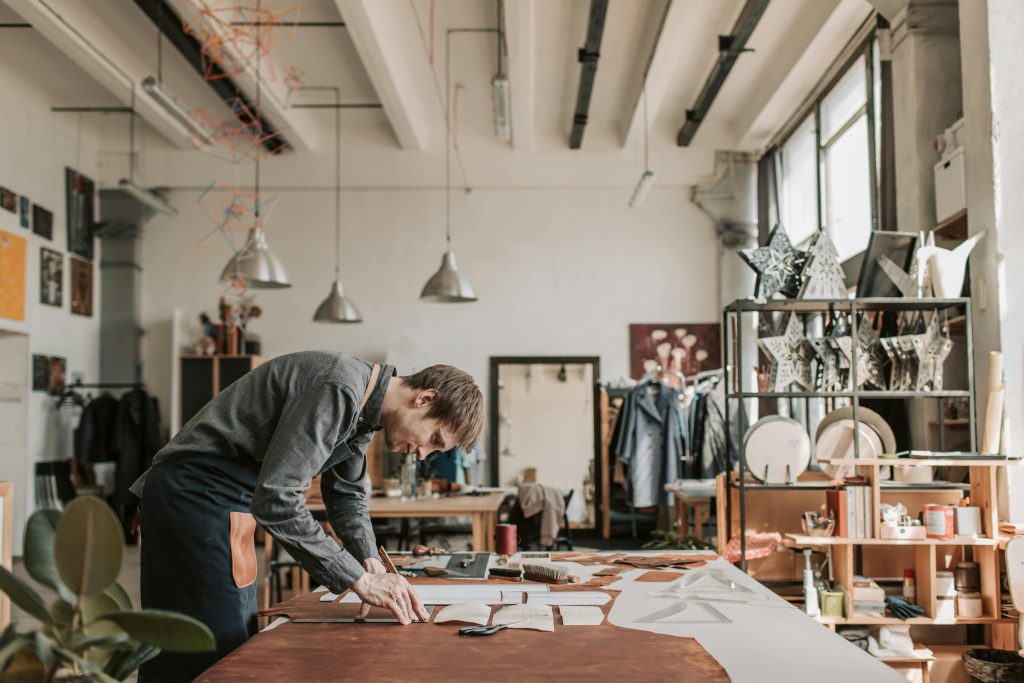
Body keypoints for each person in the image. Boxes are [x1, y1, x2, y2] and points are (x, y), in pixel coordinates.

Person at [129, 353, 484, 682]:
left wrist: (370, 560)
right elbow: (278, 500)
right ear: (424, 399)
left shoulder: (365, 408)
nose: (423, 455)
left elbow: (346, 495)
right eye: (434, 439)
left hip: (224, 503)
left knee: (233, 644)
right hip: (191, 497)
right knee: (202, 650)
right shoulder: (339, 388)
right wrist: (357, 579)